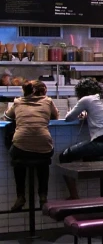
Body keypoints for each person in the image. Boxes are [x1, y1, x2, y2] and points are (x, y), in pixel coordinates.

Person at [61, 78, 103, 199]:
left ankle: (74, 195)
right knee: (87, 155)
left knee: (64, 156)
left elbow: (68, 118)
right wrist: (88, 114)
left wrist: (80, 112)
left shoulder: (86, 100)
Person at [5, 80, 58, 211]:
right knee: (43, 162)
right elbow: (56, 117)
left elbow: (7, 116)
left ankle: (21, 196)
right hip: (44, 145)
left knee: (17, 159)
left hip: (21, 147)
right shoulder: (48, 101)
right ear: (43, 91)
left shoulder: (17, 102)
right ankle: (43, 195)